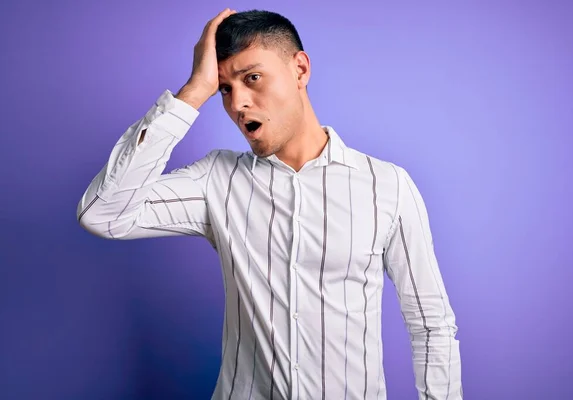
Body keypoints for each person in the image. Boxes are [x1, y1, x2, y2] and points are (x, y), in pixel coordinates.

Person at [77, 8, 462, 400]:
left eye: (252, 78)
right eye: (225, 89)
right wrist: (194, 91)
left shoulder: (387, 186)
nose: (238, 103)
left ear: (300, 69)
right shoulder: (217, 180)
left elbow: (430, 323)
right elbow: (103, 213)